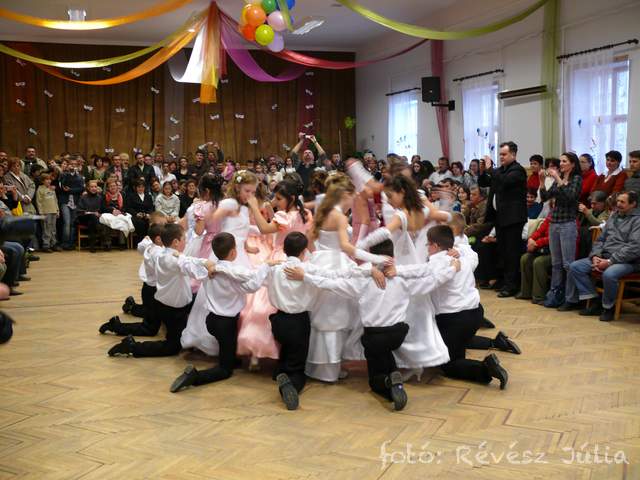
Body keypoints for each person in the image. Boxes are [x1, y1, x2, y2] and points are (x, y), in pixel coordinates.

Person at [288, 238, 457, 410]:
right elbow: (432, 280)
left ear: (371, 257)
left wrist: (305, 277)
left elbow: (332, 284)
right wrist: (452, 268)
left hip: (375, 336)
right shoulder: (402, 279)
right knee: (385, 354)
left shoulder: (363, 281)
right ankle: (395, 378)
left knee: (375, 377)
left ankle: (387, 382)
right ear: (393, 256)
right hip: (398, 334)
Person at [391, 226, 509, 389]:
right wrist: (459, 250)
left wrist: (396, 272)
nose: (427, 248)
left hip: (455, 319)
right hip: (476, 314)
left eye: (428, 244)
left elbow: (420, 272)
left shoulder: (437, 262)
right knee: (456, 344)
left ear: (435, 245)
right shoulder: (463, 258)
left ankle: (486, 368)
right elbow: (473, 256)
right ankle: (495, 343)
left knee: (447, 364)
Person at [170, 232, 273, 394]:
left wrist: (180, 256)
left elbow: (189, 265)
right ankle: (195, 376)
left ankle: (230, 358)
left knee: (227, 349)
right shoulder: (233, 273)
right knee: (225, 370)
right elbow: (252, 285)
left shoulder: (208, 269)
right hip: (226, 323)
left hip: (211, 320)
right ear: (233, 252)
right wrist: (266, 266)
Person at [108, 224, 214, 357]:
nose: (186, 241)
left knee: (196, 305)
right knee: (172, 347)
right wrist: (207, 264)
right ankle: (133, 346)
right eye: (184, 239)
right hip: (173, 309)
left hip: (164, 302)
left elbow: (183, 259)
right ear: (176, 242)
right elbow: (191, 267)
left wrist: (181, 256)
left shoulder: (160, 253)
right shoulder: (174, 261)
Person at [240, 180, 313, 367]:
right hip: (301, 257)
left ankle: (261, 350)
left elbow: (265, 229)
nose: (276, 201)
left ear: (291, 199)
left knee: (266, 303)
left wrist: (254, 207)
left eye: (279, 199)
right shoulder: (305, 213)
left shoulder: (284, 216)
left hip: (282, 256)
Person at [562, 191, 640, 321]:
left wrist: (610, 261)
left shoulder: (637, 221)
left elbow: (634, 248)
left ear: (633, 204)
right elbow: (600, 240)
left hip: (628, 261)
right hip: (604, 256)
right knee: (575, 267)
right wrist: (595, 256)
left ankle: (609, 307)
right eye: (618, 201)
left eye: (622, 202)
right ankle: (596, 301)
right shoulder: (613, 216)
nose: (618, 204)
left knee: (609, 274)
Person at [99, 223, 165, 336]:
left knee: (152, 315)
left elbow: (143, 244)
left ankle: (131, 307)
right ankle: (116, 326)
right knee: (149, 328)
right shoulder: (158, 253)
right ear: (158, 239)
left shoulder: (151, 246)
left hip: (149, 289)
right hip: (152, 291)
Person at [484, 142, 528, 297]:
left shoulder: (518, 170)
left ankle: (512, 285)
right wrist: (484, 171)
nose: (501, 157)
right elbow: (484, 182)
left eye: (504, 154)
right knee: (502, 251)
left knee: (512, 253)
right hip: (500, 217)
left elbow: (504, 181)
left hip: (513, 218)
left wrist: (490, 170)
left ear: (513, 155)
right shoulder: (501, 170)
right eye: (500, 154)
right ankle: (505, 281)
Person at [539, 152, 582, 308]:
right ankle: (555, 296)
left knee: (568, 264)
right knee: (556, 263)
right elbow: (545, 197)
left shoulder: (576, 179)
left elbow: (570, 197)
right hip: (554, 223)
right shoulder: (560, 179)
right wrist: (542, 181)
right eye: (561, 161)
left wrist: (557, 178)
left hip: (568, 224)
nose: (561, 164)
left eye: (564, 161)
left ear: (572, 164)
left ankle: (571, 299)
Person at [516, 214, 552, 304]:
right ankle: (526, 292)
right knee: (525, 258)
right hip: (543, 248)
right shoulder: (550, 216)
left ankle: (539, 296)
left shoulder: (565, 218)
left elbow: (552, 238)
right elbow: (539, 231)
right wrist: (531, 239)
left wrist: (537, 243)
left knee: (539, 262)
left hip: (555, 251)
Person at [58, 158, 86, 250]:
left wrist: (70, 190)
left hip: (75, 201)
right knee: (66, 222)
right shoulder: (64, 174)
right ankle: (65, 243)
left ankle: (71, 243)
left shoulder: (80, 176)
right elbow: (62, 186)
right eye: (71, 164)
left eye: (75, 164)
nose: (73, 166)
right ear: (68, 165)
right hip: (65, 201)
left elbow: (81, 189)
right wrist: (67, 173)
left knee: (72, 223)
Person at [76, 180, 109, 252]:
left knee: (92, 221)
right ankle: (104, 238)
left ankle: (92, 245)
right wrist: (91, 213)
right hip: (84, 217)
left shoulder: (100, 197)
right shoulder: (83, 197)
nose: (94, 188)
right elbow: (79, 210)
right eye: (92, 187)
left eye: (95, 187)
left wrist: (99, 213)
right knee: (92, 217)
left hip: (95, 219)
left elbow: (103, 209)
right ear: (88, 188)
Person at [35, 174, 59, 253]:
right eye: (47, 179)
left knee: (53, 229)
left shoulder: (52, 189)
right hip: (45, 212)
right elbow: (39, 202)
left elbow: (55, 200)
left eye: (50, 179)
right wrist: (41, 212)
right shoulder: (40, 189)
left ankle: (53, 244)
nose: (49, 181)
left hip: (53, 211)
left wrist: (57, 210)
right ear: (42, 181)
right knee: (46, 229)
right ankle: (46, 245)